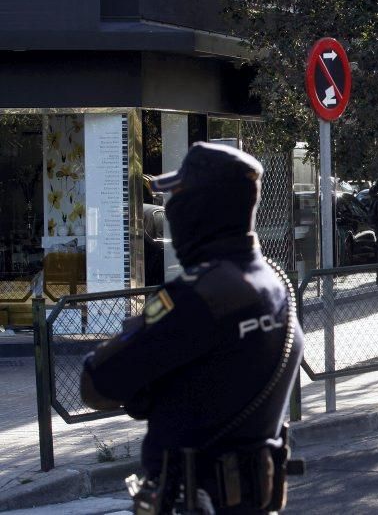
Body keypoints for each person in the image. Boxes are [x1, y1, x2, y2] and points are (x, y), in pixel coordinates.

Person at [80, 142, 304, 514]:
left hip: (191, 501)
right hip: (252, 500)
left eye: (177, 199)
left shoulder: (200, 295)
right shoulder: (274, 282)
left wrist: (149, 388)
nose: (170, 211)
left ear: (201, 208)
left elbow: (97, 382)